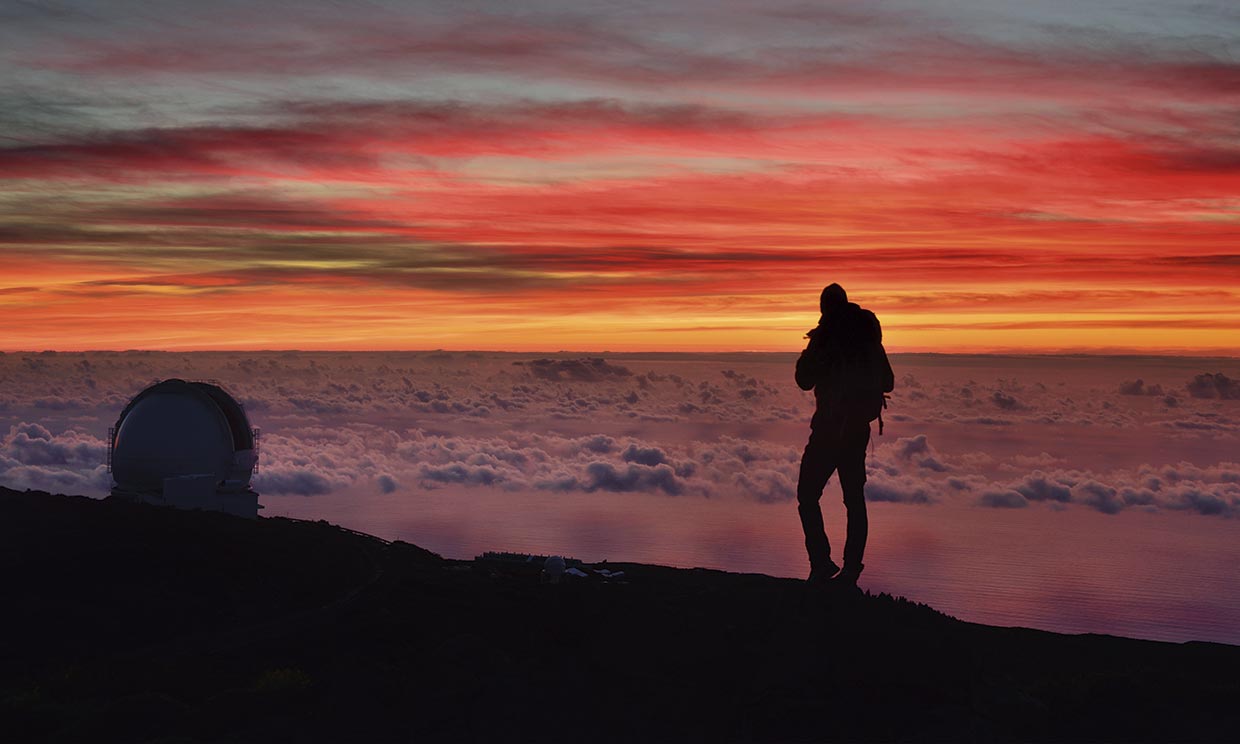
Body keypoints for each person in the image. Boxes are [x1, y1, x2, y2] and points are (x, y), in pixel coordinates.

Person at [794, 283, 893, 588]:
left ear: (824, 307)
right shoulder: (867, 337)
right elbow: (888, 382)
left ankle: (821, 563)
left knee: (807, 495)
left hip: (826, 429)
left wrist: (809, 354)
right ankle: (851, 569)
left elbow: (803, 380)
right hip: (856, 432)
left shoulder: (824, 337)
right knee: (854, 500)